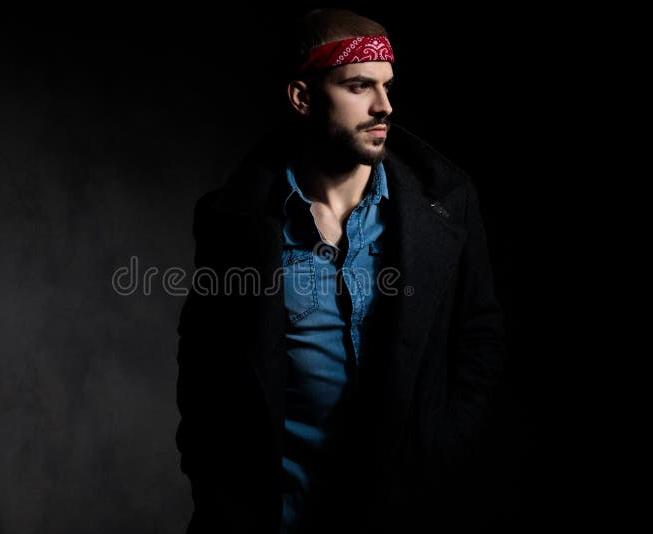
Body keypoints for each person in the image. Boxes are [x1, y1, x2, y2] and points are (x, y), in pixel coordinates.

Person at [175, 8, 506, 534]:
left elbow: (480, 340)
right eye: (359, 86)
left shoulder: (447, 205)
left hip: (407, 514)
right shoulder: (235, 223)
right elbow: (205, 376)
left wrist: (443, 453)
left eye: (387, 86)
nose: (384, 107)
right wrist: (224, 499)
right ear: (302, 98)